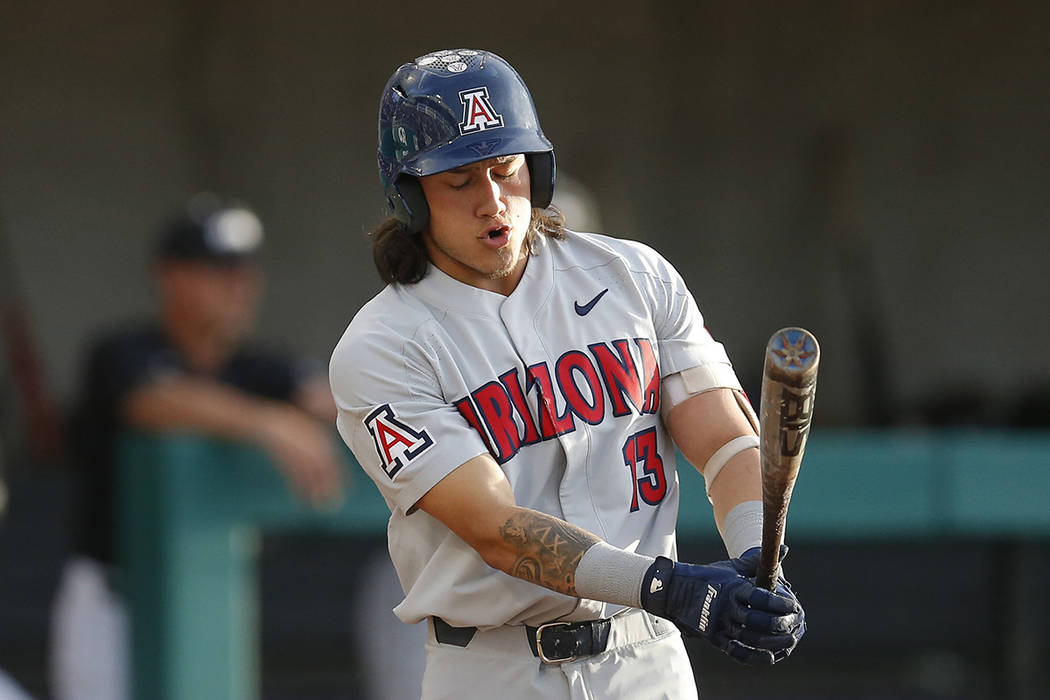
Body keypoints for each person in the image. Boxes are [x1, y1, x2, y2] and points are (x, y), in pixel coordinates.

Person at [329, 49, 806, 699]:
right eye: (460, 180)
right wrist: (673, 587)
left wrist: (758, 559)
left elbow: (723, 440)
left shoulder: (634, 276)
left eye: (505, 169)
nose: (493, 201)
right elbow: (494, 528)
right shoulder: (382, 347)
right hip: (495, 667)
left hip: (646, 659)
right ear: (411, 196)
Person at [50, 195, 344, 700]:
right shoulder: (122, 350)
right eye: (218, 271)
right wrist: (266, 421)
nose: (239, 288)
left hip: (212, 602)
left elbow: (336, 401)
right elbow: (150, 400)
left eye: (246, 272)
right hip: (114, 604)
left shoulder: (264, 367)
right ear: (171, 277)